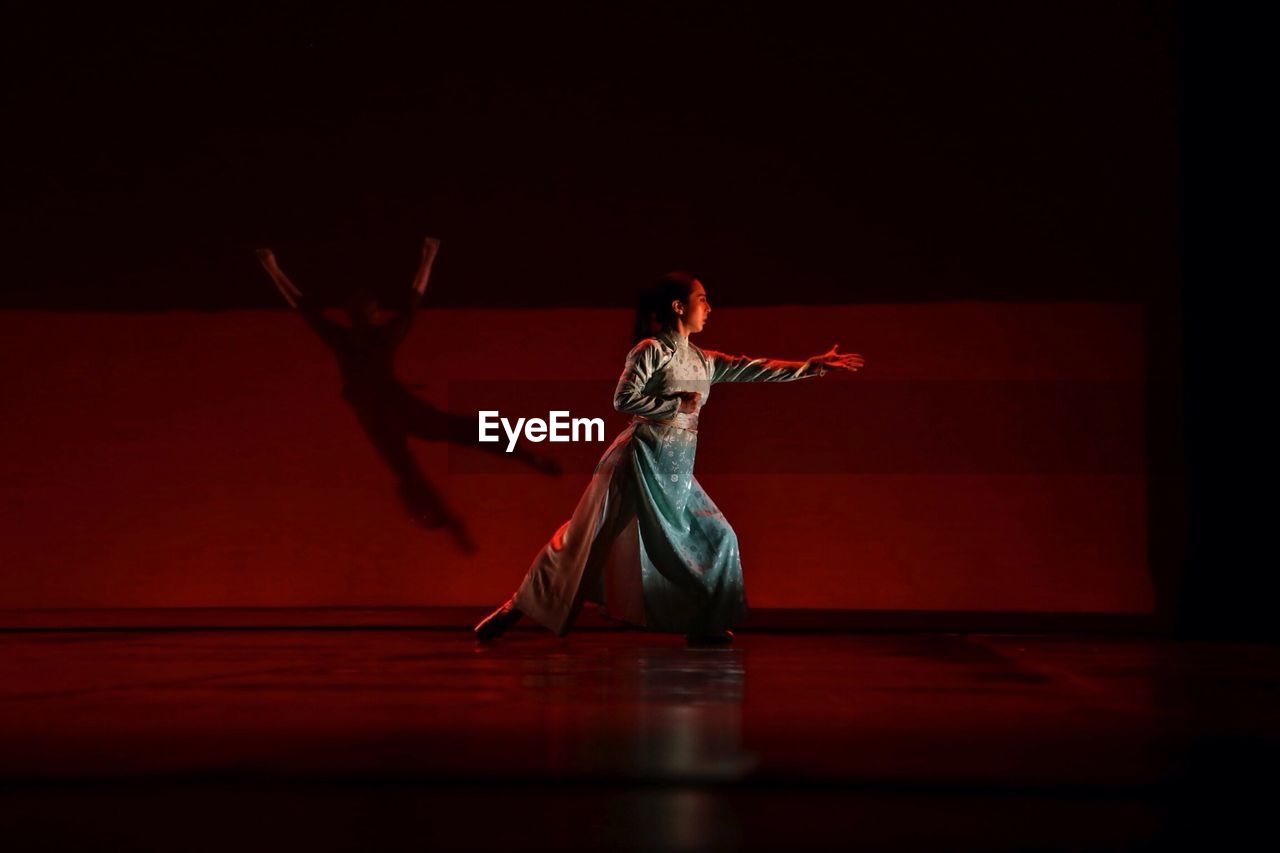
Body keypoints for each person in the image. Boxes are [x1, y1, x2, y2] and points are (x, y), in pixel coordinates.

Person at [474, 271, 864, 643]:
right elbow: (623, 399)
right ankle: (516, 607)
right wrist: (674, 403)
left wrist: (809, 367)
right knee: (584, 539)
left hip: (675, 469)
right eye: (702, 299)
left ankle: (703, 622)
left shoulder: (701, 360)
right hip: (639, 459)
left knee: (718, 536)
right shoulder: (652, 350)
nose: (709, 307)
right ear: (678, 307)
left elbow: (752, 368)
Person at [256, 238, 559, 553]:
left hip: (376, 415)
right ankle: (522, 456)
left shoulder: (342, 339)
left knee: (412, 470)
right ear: (373, 314)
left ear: (352, 315)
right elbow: (413, 300)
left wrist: (272, 267)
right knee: (454, 431)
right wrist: (428, 258)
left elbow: (302, 305)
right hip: (396, 405)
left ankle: (458, 516)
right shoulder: (382, 335)